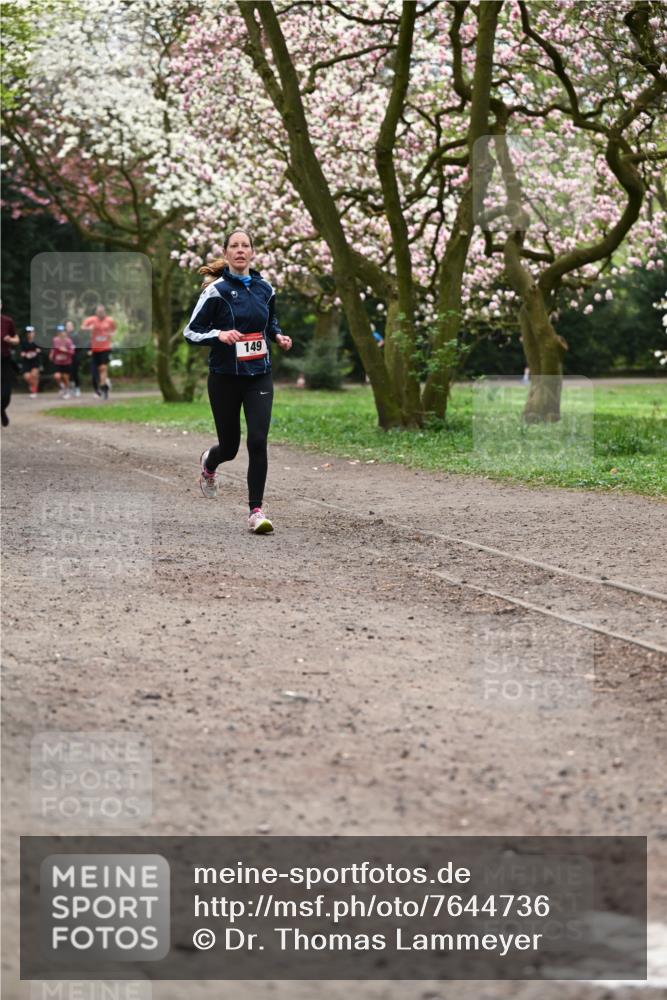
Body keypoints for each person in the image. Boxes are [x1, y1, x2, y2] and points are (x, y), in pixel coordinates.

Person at [183, 229, 292, 534]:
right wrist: (218, 335)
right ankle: (210, 462)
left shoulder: (265, 288)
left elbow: (269, 322)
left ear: (252, 253)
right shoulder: (215, 292)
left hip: (259, 375)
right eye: (235, 246)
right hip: (224, 379)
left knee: (257, 440)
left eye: (245, 245)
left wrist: (278, 336)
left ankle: (256, 511)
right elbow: (191, 332)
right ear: (227, 253)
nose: (240, 250)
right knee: (230, 448)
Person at [82, 304, 115, 399]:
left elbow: (114, 330)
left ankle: (103, 386)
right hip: (95, 349)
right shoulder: (91, 320)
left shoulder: (110, 320)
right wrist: (89, 328)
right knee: (94, 373)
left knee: (103, 368)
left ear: (105, 312)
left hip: (105, 348)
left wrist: (110, 334)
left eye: (102, 311)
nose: (101, 313)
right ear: (96, 312)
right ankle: (103, 386)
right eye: (99, 312)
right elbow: (82, 327)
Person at [1, 301, 20, 426]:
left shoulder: (7, 321)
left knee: (6, 395)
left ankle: (2, 409)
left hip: (4, 360)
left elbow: (16, 339)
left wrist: (10, 340)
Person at [49, 324, 75, 397]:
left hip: (66, 362)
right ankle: (63, 387)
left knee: (65, 377)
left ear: (65, 332)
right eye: (59, 332)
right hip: (58, 362)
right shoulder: (55, 340)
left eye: (62, 331)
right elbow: (53, 348)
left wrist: (65, 351)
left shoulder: (69, 341)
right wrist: (51, 353)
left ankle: (67, 391)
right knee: (57, 376)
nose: (60, 333)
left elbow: (72, 352)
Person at [20, 326, 42, 397]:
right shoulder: (24, 342)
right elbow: (21, 351)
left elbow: (41, 351)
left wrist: (38, 351)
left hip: (35, 362)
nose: (29, 334)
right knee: (27, 377)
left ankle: (34, 390)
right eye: (28, 332)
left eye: (31, 332)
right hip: (26, 362)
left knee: (34, 375)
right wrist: (23, 354)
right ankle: (31, 385)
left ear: (34, 333)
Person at [65, 320, 82, 396]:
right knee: (68, 373)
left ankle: (77, 388)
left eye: (70, 325)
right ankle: (70, 388)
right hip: (66, 358)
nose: (69, 327)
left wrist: (73, 347)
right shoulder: (64, 335)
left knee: (75, 372)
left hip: (74, 357)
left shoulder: (76, 335)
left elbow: (80, 346)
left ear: (73, 327)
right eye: (67, 326)